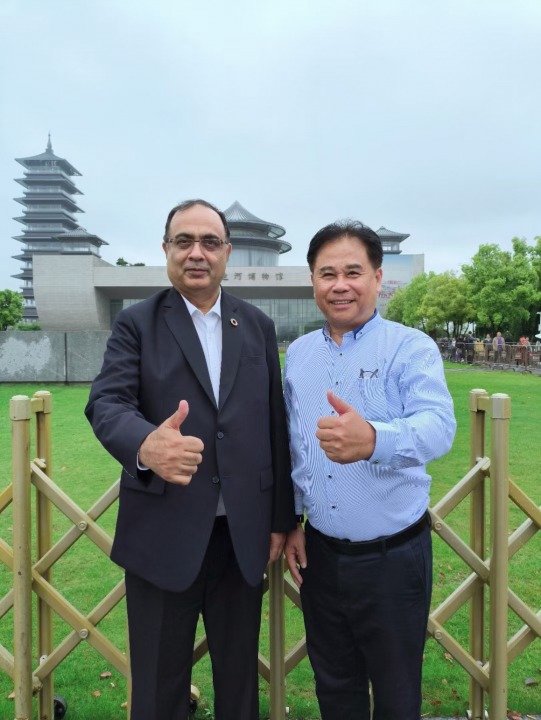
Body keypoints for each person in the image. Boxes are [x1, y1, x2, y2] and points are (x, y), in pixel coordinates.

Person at [85, 199, 295, 720]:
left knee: (240, 682)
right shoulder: (137, 323)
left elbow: (274, 424)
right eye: (184, 241)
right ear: (166, 250)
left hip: (242, 536)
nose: (196, 253)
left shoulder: (257, 325)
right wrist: (145, 444)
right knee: (158, 687)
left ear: (227, 252)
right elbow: (107, 402)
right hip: (163, 530)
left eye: (209, 242)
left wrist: (281, 519)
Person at [283, 220, 456, 720]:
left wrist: (375, 439)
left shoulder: (410, 347)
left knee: (397, 694)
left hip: (392, 558)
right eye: (327, 274)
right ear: (313, 281)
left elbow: (438, 426)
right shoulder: (298, 356)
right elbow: (296, 445)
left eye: (353, 272)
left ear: (378, 278)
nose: (340, 285)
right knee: (335, 689)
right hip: (320, 556)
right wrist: (292, 517)